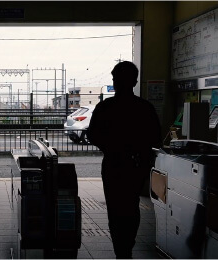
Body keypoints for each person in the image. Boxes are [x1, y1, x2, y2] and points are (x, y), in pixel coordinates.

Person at [87, 61, 162, 259]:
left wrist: (110, 146)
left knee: (114, 206)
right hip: (135, 165)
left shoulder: (105, 107)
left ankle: (121, 248)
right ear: (135, 81)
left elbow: (92, 135)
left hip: (112, 164)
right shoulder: (144, 108)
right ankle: (127, 244)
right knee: (131, 204)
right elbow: (156, 137)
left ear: (116, 82)